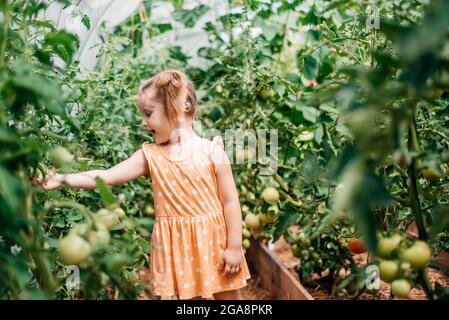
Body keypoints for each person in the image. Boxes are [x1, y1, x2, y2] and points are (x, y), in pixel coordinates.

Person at [38, 69, 251, 300]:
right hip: (178, 248)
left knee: (230, 301)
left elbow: (230, 202)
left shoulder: (212, 151)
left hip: (215, 243)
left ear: (179, 107)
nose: (143, 122)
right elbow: (107, 176)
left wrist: (234, 247)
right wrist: (61, 179)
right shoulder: (150, 155)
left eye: (148, 113)